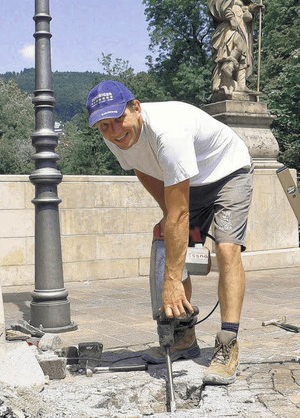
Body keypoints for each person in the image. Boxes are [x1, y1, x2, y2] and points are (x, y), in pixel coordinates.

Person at [86, 80, 253, 385]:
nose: (113, 131)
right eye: (104, 126)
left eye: (118, 120)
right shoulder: (115, 136)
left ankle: (227, 344)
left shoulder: (168, 132)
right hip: (188, 181)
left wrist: (172, 280)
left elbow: (180, 213)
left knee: (227, 250)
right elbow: (142, 168)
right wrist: (166, 216)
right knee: (171, 243)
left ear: (135, 107)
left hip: (227, 172)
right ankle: (184, 339)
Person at [209, 0, 263, 101]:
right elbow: (216, 6)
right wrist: (228, 15)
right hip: (230, 25)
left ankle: (241, 84)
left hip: (242, 26)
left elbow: (247, 6)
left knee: (244, 54)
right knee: (228, 50)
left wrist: (251, 8)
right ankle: (223, 83)